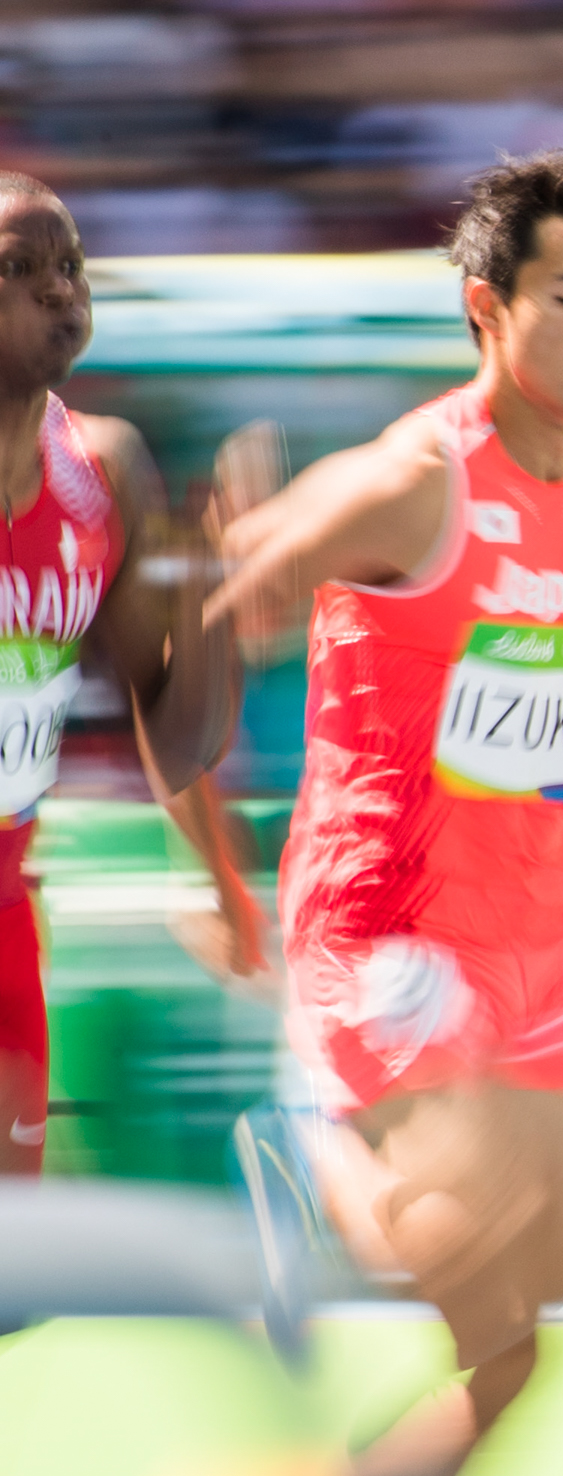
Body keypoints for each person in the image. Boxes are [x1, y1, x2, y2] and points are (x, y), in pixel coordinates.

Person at [210, 151, 563, 1476]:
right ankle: (306, 1166)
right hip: (384, 917)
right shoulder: (414, 476)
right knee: (447, 1220)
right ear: (487, 310)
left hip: (528, 940)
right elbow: (231, 601)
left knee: (522, 1346)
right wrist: (222, 864)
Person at [0, 172, 241, 1175]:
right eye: (21, 268)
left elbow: (174, 742)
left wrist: (210, 596)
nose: (61, 290)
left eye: (72, 266)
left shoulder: (103, 473)